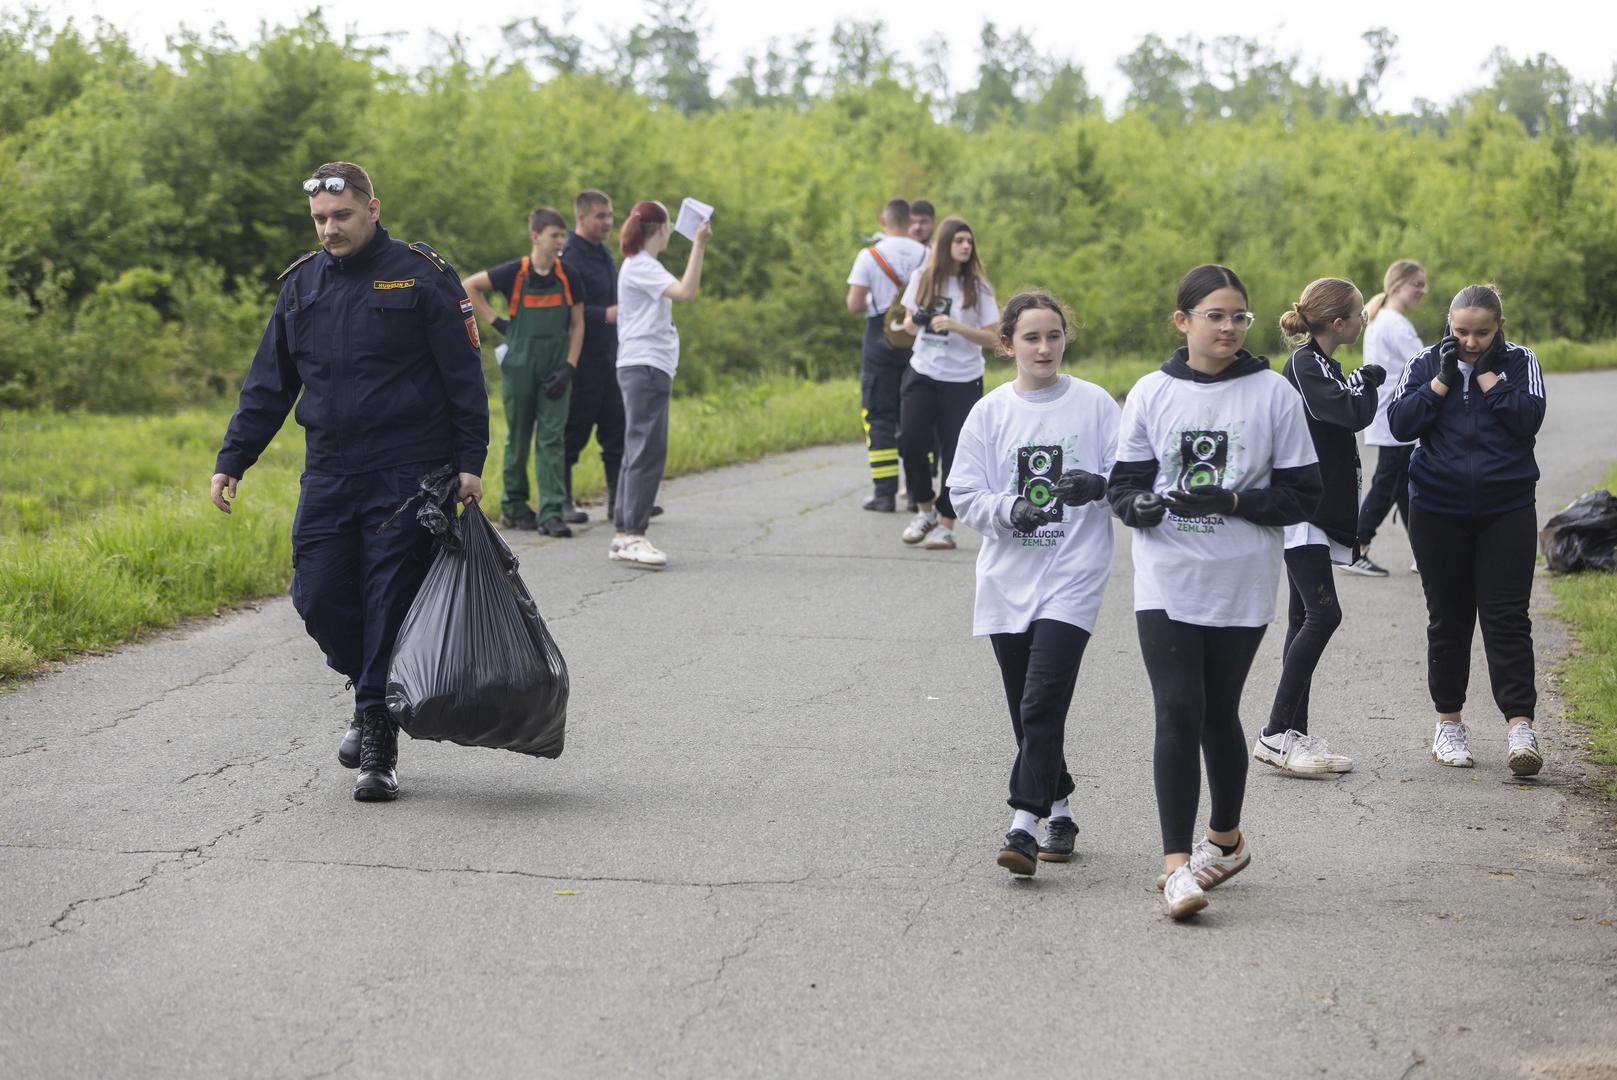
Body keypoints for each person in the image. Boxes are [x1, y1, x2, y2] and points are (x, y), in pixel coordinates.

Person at [210, 161, 488, 803]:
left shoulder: (424, 276)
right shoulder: (302, 287)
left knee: (388, 598)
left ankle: (377, 737)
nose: (329, 230)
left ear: (373, 209)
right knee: (319, 596)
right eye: (320, 221)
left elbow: (464, 375)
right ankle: (370, 691)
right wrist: (234, 457)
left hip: (410, 470)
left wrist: (469, 460)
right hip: (331, 469)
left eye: (341, 216)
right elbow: (268, 383)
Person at [1107, 264, 1321, 920]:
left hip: (1240, 577)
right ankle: (1177, 866)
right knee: (1176, 708)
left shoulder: (1272, 394)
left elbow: (1303, 495)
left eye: (1238, 317)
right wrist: (1136, 506)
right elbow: (1124, 484)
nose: (1227, 328)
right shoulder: (1150, 392)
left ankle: (1224, 839)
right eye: (1215, 316)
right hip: (1166, 576)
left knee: (1216, 711)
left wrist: (1232, 498)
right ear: (1183, 321)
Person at [949, 292, 1120, 877]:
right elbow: (963, 493)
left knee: (1042, 698)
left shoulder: (1095, 404)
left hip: (1073, 574)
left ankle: (1023, 825)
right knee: (1027, 708)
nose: (1044, 348)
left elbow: (1130, 474)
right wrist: (1009, 509)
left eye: (1053, 336)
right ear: (1006, 346)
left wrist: (1098, 484)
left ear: (1064, 340)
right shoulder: (990, 413)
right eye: (1031, 338)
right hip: (1007, 579)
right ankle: (1062, 807)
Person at [1386, 284, 1547, 776]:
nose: (1471, 341)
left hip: (1507, 506)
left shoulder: (1521, 361)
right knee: (1449, 618)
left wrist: (1489, 381)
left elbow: (1529, 419)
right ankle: (1449, 725)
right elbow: (1397, 424)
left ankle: (1520, 726)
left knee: (1507, 618)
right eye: (1461, 332)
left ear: (1499, 326)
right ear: (1448, 325)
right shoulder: (1425, 361)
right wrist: (1440, 383)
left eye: (1481, 332)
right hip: (1437, 507)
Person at [1255, 278, 1381, 776]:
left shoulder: (1326, 364)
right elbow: (1350, 413)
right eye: (1358, 314)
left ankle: (1293, 735)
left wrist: (1358, 382)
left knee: (1301, 619)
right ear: (1337, 323)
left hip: (1318, 509)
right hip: (1302, 510)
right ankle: (1273, 732)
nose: (1363, 320)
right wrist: (1367, 383)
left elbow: (1347, 411)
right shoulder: (1306, 365)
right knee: (1324, 616)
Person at [462, 207, 585, 537]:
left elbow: (578, 325)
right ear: (536, 237)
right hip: (519, 366)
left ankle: (551, 512)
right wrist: (496, 320)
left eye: (563, 235)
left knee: (552, 440)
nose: (561, 241)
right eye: (554, 235)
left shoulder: (568, 275)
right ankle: (514, 508)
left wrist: (569, 368)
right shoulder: (515, 272)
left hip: (556, 369)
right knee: (517, 438)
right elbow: (469, 286)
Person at [610, 200, 712, 568]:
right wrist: (699, 244)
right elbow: (686, 292)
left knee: (637, 448)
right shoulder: (641, 266)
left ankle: (624, 534)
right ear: (663, 229)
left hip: (644, 366)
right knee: (647, 450)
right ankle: (633, 534)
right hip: (645, 367)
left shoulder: (641, 266)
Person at [896, 217, 1001, 551]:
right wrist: (919, 318)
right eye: (959, 241)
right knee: (911, 441)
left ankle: (945, 524)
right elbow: (908, 327)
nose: (966, 246)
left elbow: (994, 338)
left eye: (969, 241)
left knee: (956, 454)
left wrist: (956, 327)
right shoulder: (923, 278)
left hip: (963, 378)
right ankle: (923, 509)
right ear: (945, 245)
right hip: (923, 371)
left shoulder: (978, 287)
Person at [846, 198, 929, 511]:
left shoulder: (869, 256)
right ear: (910, 222)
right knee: (917, 414)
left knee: (879, 414)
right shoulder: (927, 254)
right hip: (917, 338)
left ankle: (884, 494)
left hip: (879, 338)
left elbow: (854, 305)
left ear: (883, 220)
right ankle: (917, 493)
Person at [1352, 259, 1428, 576]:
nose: (1423, 291)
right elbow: (1426, 364)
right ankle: (1356, 547)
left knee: (1403, 485)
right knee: (1389, 483)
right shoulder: (1394, 323)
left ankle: (1424, 552)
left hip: (1391, 417)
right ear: (1397, 286)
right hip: (1395, 418)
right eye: (1417, 284)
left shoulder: (1382, 319)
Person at [558, 190, 625, 525]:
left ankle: (619, 502)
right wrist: (606, 315)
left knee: (616, 427)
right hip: (581, 359)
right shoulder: (570, 257)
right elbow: (567, 311)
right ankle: (562, 500)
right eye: (601, 216)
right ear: (581, 218)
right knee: (575, 429)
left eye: (610, 215)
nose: (608, 222)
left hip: (610, 356)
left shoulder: (604, 253)